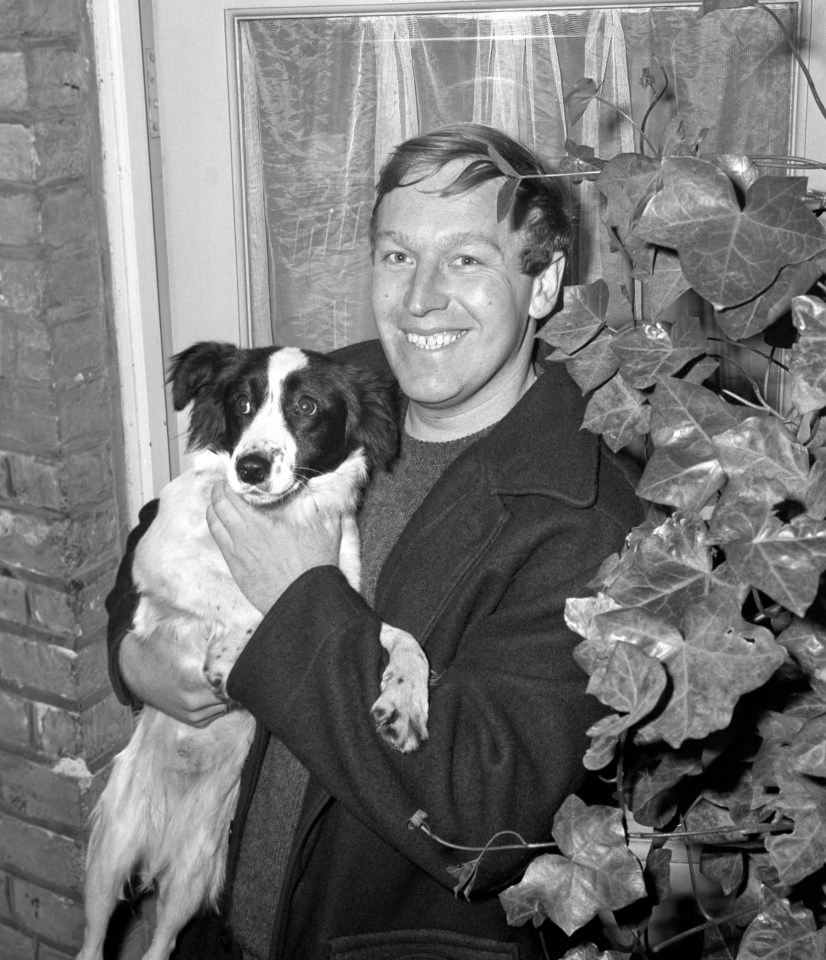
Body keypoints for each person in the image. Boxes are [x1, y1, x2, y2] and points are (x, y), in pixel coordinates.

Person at [107, 123, 645, 960]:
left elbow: (485, 811)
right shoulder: (338, 389)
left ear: (542, 286)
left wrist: (300, 597)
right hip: (222, 914)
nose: (421, 297)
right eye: (397, 256)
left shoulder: (587, 519)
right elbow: (166, 522)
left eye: (466, 259)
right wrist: (133, 660)